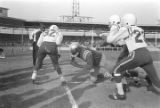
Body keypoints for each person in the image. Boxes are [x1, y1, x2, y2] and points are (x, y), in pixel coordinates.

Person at [106, 13, 160, 100]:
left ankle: (120, 94)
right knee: (156, 80)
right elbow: (123, 42)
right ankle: (148, 80)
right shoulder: (140, 29)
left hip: (137, 54)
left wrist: (113, 28)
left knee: (116, 70)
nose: (122, 23)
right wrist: (116, 41)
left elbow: (110, 40)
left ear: (126, 22)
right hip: (147, 54)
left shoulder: (126, 28)